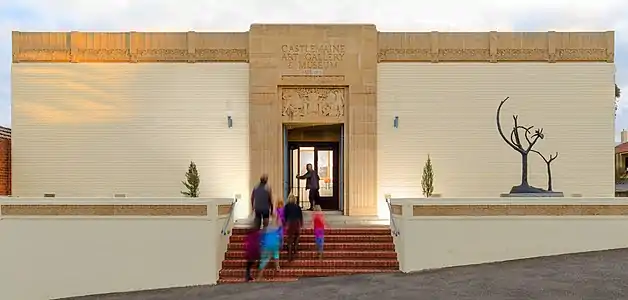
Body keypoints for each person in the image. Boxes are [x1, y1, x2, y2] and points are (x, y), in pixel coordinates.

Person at [257, 215, 282, 281]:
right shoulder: (277, 229)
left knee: (264, 260)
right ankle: (277, 267)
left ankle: (259, 276)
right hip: (274, 244)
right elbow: (280, 237)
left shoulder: (265, 230)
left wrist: (261, 245)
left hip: (266, 245)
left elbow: (261, 239)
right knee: (276, 255)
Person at [283, 193, 304, 261]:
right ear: (295, 199)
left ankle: (289, 256)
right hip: (296, 223)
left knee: (290, 238)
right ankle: (295, 245)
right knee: (297, 235)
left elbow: (285, 216)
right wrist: (301, 223)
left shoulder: (286, 206)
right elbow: (300, 216)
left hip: (289, 223)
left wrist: (285, 224)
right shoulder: (297, 207)